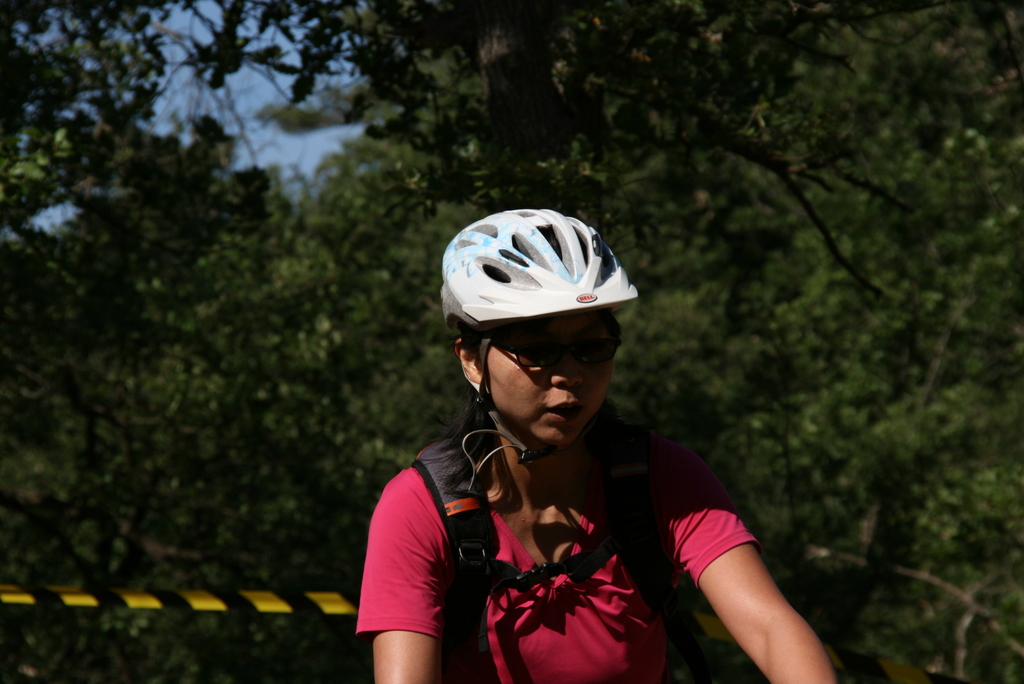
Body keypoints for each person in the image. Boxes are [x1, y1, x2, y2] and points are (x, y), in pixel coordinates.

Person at [357, 209, 838, 684]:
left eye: (592, 347)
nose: (571, 374)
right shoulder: (420, 508)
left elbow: (771, 628)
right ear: (471, 360)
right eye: (537, 351)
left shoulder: (659, 478)